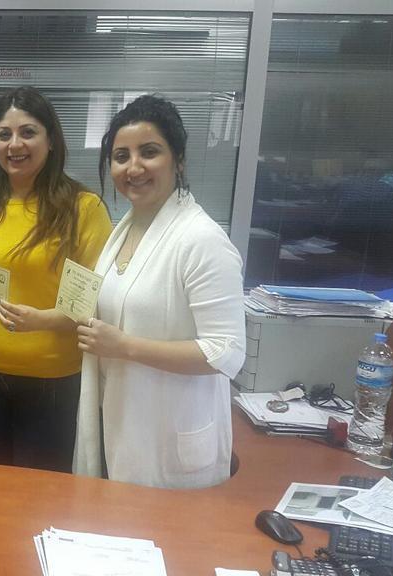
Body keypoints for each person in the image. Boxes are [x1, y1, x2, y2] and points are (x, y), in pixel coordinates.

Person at [74, 94, 246, 489]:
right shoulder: (125, 228)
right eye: (121, 156)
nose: (133, 167)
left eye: (149, 152)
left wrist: (124, 346)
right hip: (122, 424)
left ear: (178, 160)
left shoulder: (201, 240)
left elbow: (226, 353)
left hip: (172, 440)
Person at [0, 86, 112, 473]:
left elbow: (91, 303)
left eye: (28, 132)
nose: (14, 144)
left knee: (37, 498)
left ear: (51, 140)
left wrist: (40, 320)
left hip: (50, 383)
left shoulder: (82, 208)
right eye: (3, 134)